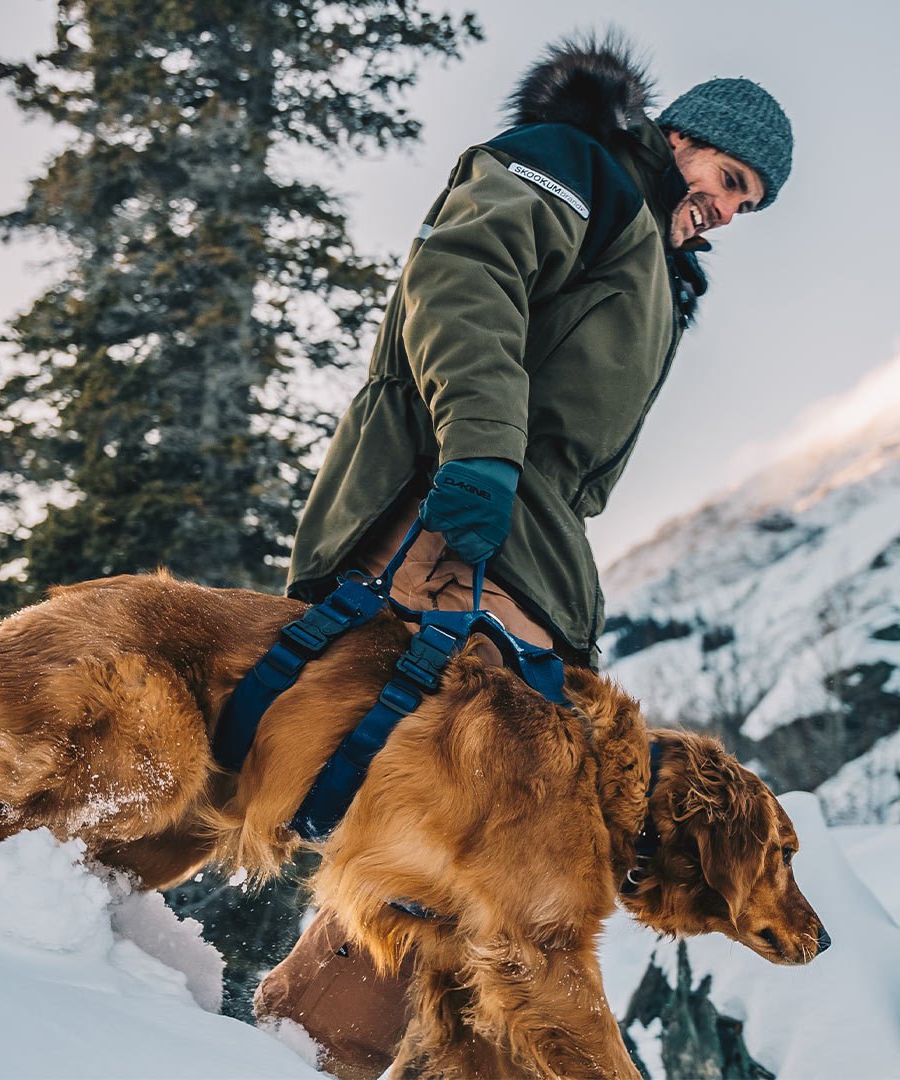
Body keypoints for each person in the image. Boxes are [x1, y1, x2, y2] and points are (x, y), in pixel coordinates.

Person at [257, 34, 793, 1079]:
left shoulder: (655, 260)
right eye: (725, 178)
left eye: (748, 203)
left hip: (525, 552)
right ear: (676, 139)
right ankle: (309, 1050)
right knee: (456, 819)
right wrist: (481, 455)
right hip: (451, 522)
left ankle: (345, 1050)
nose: (728, 208)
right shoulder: (574, 164)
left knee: (477, 839)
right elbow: (463, 279)